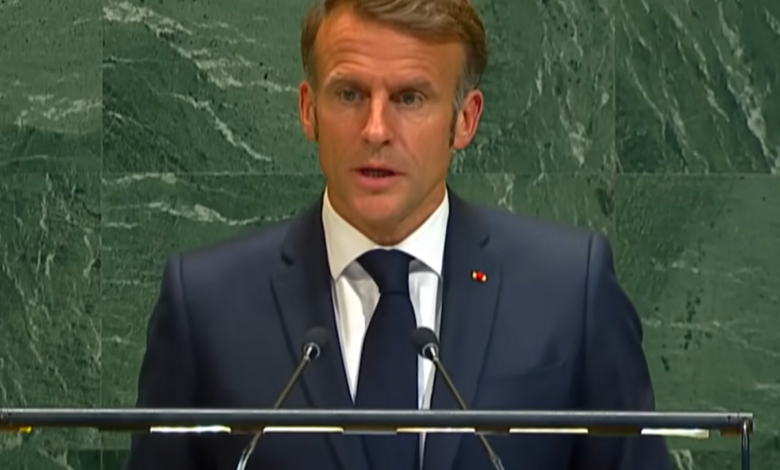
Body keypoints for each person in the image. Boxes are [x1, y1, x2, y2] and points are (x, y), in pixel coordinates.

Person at [124, 0, 672, 469]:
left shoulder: (568, 290)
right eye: (349, 94)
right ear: (308, 110)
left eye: (409, 98)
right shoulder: (206, 304)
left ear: (465, 119)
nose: (376, 130)